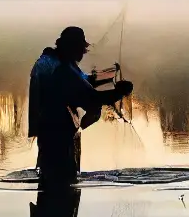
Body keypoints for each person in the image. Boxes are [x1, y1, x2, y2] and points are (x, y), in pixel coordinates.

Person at [28, 26, 133, 187]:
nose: (84, 53)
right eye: (81, 48)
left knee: (52, 184)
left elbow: (83, 80)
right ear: (71, 47)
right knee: (63, 184)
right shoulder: (61, 69)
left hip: (51, 134)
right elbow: (91, 98)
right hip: (58, 137)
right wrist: (120, 92)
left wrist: (109, 75)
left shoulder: (53, 62)